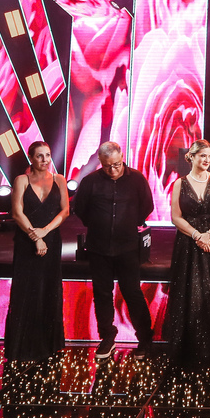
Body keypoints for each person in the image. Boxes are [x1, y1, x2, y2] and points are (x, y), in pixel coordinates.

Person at [73, 142, 155, 359]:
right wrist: (97, 224)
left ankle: (145, 339)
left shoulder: (137, 179)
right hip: (98, 247)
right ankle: (107, 337)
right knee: (102, 293)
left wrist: (129, 223)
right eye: (108, 166)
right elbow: (80, 209)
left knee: (132, 292)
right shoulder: (90, 181)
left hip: (128, 246)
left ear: (122, 158)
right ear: (101, 163)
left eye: (117, 164)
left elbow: (147, 206)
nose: (113, 170)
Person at [166, 139, 210, 368]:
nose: (207, 160)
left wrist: (209, 234)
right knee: (191, 294)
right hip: (188, 244)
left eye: (209, 156)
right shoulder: (179, 184)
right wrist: (197, 236)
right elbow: (175, 217)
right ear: (191, 157)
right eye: (203, 155)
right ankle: (190, 351)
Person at [5, 141, 69, 362]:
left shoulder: (59, 180)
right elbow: (17, 213)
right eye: (40, 156)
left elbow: (65, 211)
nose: (45, 160)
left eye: (48, 155)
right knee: (25, 291)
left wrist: (45, 232)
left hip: (51, 240)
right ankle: (22, 347)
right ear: (31, 158)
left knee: (49, 289)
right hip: (27, 242)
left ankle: (48, 346)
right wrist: (36, 237)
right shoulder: (21, 180)